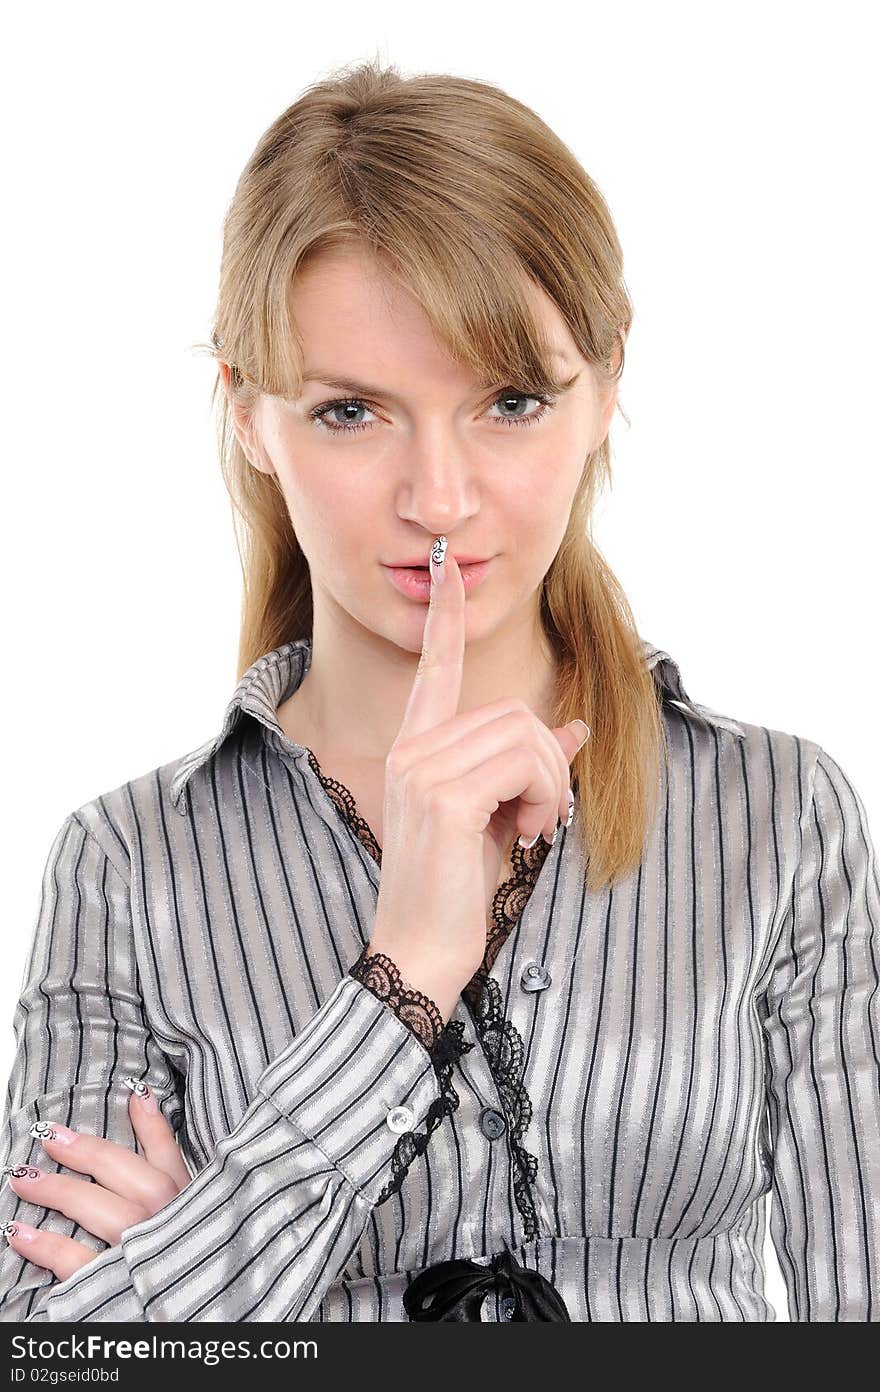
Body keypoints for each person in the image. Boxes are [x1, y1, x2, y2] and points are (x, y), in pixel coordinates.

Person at [1, 59, 878, 1324]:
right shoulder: (127, 864)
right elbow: (57, 1353)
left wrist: (194, 1264)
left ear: (607, 388)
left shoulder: (781, 819)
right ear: (249, 416)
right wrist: (401, 971)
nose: (440, 499)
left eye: (511, 402)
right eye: (353, 412)